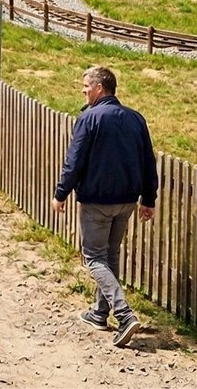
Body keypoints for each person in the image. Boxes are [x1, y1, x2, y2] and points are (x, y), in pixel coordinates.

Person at [54, 65, 158, 348]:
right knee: (110, 256)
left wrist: (61, 193)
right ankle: (100, 313)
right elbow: (149, 162)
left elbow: (75, 160)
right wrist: (149, 199)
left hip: (97, 202)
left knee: (94, 258)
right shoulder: (136, 119)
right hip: (126, 202)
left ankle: (124, 315)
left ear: (100, 88)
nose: (83, 90)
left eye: (86, 86)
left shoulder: (90, 119)